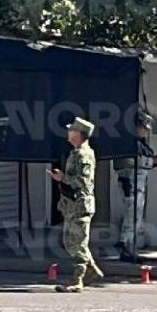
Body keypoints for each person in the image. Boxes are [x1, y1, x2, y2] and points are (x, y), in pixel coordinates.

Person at [51, 117, 103, 293]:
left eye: (71, 130)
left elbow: (83, 182)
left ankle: (78, 279)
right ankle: (91, 268)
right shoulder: (76, 153)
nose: (68, 132)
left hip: (80, 204)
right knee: (69, 241)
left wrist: (62, 178)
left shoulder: (83, 155)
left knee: (78, 242)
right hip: (72, 204)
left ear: (79, 134)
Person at [115, 110, 157, 263]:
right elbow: (126, 161)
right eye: (144, 126)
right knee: (132, 214)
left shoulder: (140, 144)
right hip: (130, 181)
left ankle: (129, 247)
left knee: (137, 215)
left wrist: (153, 161)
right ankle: (126, 247)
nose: (147, 130)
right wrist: (153, 161)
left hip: (138, 182)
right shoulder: (126, 142)